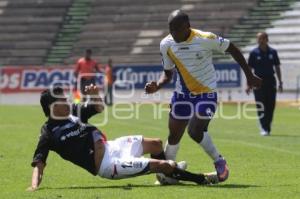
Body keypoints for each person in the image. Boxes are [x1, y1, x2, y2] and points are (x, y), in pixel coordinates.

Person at [27, 85, 218, 191]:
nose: (68, 101)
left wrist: (95, 95)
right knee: (165, 164)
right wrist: (34, 186)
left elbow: (98, 108)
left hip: (113, 146)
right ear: (52, 107)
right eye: (62, 100)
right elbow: (39, 163)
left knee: (156, 144)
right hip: (108, 165)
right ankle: (202, 179)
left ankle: (165, 177)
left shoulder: (73, 113)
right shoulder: (48, 133)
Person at [144, 10, 262, 183]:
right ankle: (167, 172)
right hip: (182, 95)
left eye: (177, 29)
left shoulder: (205, 38)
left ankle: (219, 161)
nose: (173, 33)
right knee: (174, 134)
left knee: (195, 130)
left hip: (206, 93)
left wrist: (249, 75)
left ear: (187, 27)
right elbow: (168, 74)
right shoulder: (166, 44)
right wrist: (157, 85)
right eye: (171, 29)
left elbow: (233, 49)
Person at [247, 32, 283, 136]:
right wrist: (248, 84)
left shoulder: (273, 52)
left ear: (267, 39)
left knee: (271, 105)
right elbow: (249, 69)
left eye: (262, 38)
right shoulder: (253, 53)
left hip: (271, 81)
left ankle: (267, 126)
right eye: (258, 38)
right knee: (261, 104)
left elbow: (277, 67)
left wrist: (280, 82)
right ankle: (264, 127)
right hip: (258, 82)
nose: (260, 40)